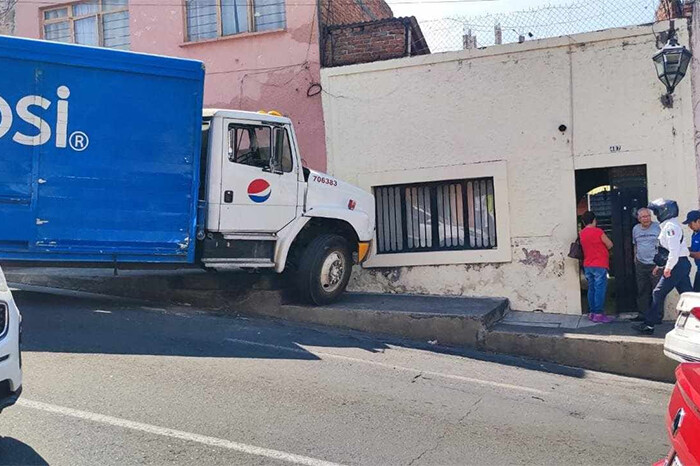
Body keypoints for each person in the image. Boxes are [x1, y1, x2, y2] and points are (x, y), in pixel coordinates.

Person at [634, 199, 692, 335]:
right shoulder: (669, 225)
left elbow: (673, 250)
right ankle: (694, 322)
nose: (655, 214)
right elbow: (666, 252)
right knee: (688, 295)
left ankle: (649, 325)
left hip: (677, 264)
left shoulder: (670, 227)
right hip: (680, 264)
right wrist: (661, 266)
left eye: (656, 211)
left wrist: (668, 268)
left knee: (658, 292)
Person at [579, 211, 614, 323]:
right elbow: (609, 244)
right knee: (600, 289)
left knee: (591, 288)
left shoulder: (582, 233)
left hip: (588, 264)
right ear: (594, 220)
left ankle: (592, 312)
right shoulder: (598, 231)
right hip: (600, 263)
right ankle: (598, 313)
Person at [631, 208, 661, 321]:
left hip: (655, 264)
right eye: (643, 217)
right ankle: (643, 314)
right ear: (639, 219)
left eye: (648, 216)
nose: (646, 218)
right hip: (641, 263)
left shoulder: (658, 227)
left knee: (657, 291)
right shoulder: (636, 229)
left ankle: (657, 316)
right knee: (642, 290)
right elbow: (635, 245)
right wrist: (635, 258)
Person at [683, 210, 700, 292]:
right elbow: (694, 249)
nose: (689, 226)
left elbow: (698, 255)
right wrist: (682, 248)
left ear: (698, 221)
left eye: (690, 223)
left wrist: (684, 252)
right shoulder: (695, 233)